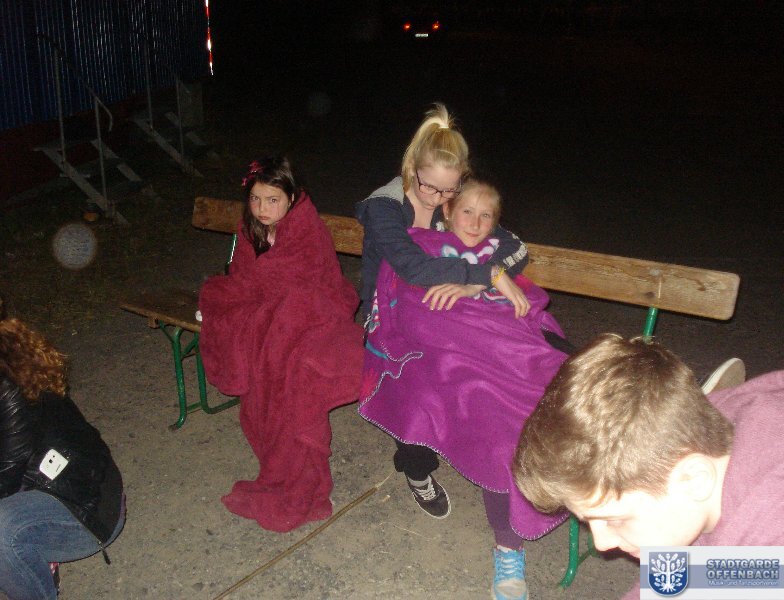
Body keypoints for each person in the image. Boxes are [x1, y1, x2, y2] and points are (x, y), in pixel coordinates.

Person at [359, 180, 570, 600]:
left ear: (496, 223)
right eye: (466, 212)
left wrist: (483, 284)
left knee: (565, 395)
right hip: (453, 360)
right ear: (448, 213)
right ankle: (508, 547)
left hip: (509, 357)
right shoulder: (424, 247)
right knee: (500, 431)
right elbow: (413, 312)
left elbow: (524, 315)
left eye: (485, 215)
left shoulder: (498, 254)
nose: (474, 223)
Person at [512, 334, 784, 600]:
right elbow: (685, 580)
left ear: (695, 480)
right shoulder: (714, 424)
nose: (601, 544)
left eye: (616, 519)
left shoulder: (781, 544)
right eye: (589, 521)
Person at [355, 103, 534, 525]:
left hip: (450, 313)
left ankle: (511, 456)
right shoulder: (385, 206)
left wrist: (477, 283)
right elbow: (412, 267)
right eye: (429, 187)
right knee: (422, 380)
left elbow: (515, 246)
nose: (438, 199)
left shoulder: (453, 202)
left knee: (506, 360)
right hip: (392, 321)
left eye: (449, 191)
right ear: (411, 168)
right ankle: (417, 469)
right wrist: (488, 274)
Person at [198, 156, 364, 533]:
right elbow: (243, 277)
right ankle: (275, 458)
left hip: (310, 312)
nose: (263, 208)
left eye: (272, 200)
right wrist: (255, 302)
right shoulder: (250, 228)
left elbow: (315, 282)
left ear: (291, 198)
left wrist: (274, 303)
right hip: (268, 313)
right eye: (256, 199)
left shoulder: (307, 229)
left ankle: (297, 472)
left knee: (293, 374)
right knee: (259, 364)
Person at [0, 299, 125, 600]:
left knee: (2, 533)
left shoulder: (6, 379)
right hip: (50, 486)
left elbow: (7, 473)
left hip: (87, 508)